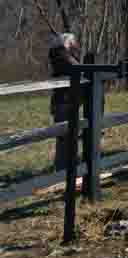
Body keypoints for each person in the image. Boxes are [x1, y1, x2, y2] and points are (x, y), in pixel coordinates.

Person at [48, 33, 81, 170]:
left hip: (66, 100)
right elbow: (78, 69)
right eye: (72, 42)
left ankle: (66, 166)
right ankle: (63, 168)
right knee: (64, 136)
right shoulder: (62, 56)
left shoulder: (62, 55)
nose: (75, 45)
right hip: (64, 101)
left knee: (67, 136)